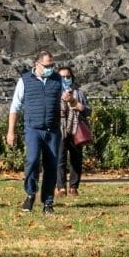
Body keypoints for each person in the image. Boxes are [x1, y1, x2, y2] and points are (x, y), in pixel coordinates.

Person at [7, 49, 64, 213]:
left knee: (52, 165)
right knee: (32, 161)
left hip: (52, 129)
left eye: (52, 65)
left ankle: (48, 202)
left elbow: (69, 98)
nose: (50, 68)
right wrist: (11, 131)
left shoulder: (58, 80)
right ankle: (30, 194)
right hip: (33, 128)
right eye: (47, 65)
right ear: (37, 64)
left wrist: (70, 100)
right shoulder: (25, 80)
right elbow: (15, 107)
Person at [57, 65, 89, 199]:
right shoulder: (54, 93)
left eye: (68, 76)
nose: (65, 79)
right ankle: (61, 187)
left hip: (76, 129)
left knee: (76, 159)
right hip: (60, 129)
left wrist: (78, 105)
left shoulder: (79, 93)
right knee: (60, 159)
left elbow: (88, 111)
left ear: (72, 77)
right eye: (62, 77)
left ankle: (74, 187)